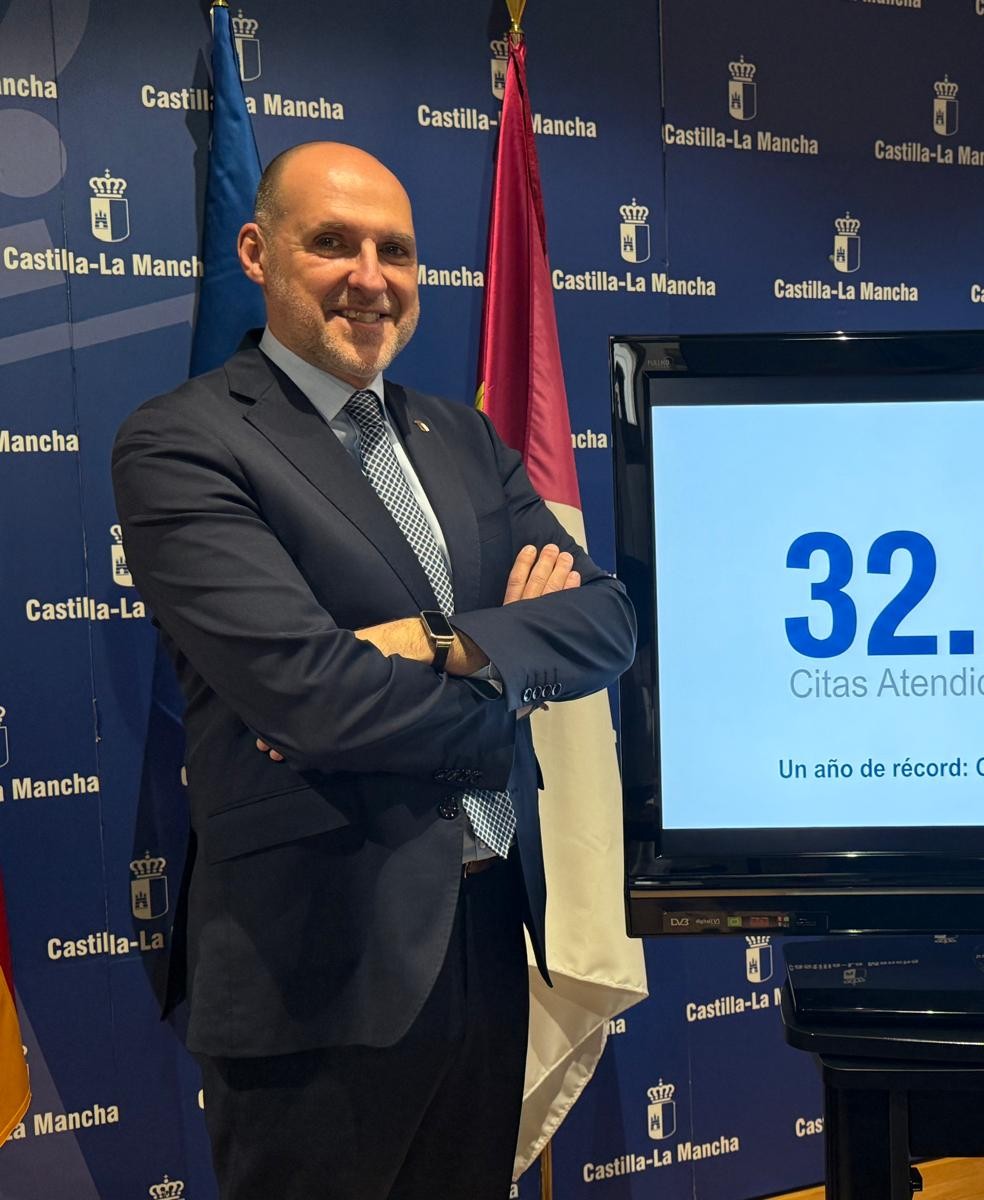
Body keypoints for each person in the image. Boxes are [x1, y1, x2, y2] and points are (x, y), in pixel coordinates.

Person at [110, 142, 636, 1199]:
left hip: (487, 938)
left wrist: (441, 642)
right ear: (257, 253)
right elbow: (315, 700)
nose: (371, 277)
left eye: (395, 250)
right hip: (316, 970)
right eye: (333, 243)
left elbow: (608, 622)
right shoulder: (183, 442)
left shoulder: (464, 438)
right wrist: (510, 681)